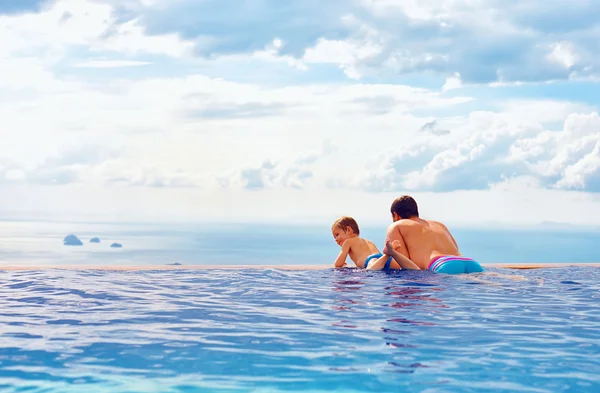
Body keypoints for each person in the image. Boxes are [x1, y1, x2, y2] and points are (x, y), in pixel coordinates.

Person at [366, 196, 484, 274]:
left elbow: (400, 265)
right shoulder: (439, 225)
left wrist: (377, 259)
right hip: (470, 263)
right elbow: (456, 249)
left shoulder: (397, 225)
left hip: (443, 266)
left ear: (396, 215)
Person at [331, 216, 401, 270]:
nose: (336, 239)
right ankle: (388, 255)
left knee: (371, 270)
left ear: (349, 230)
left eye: (337, 235)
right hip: (381, 258)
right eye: (334, 237)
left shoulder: (347, 242)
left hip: (372, 260)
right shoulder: (366, 241)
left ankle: (387, 254)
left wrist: (340, 263)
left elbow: (337, 264)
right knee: (400, 268)